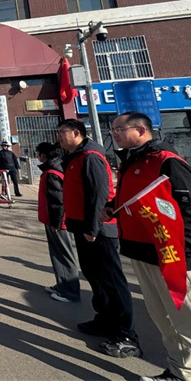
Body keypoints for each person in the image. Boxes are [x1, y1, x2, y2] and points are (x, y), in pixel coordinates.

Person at [106, 112, 191, 381]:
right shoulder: (130, 162)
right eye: (112, 129)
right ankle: (181, 372)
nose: (114, 134)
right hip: (142, 254)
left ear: (141, 130)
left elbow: (188, 212)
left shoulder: (166, 161)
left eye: (119, 129)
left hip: (174, 256)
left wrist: (182, 253)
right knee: (166, 321)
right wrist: (111, 207)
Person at [57, 118, 140, 358]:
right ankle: (104, 320)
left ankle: (126, 335)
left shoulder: (90, 157)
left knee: (111, 280)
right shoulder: (74, 157)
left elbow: (99, 195)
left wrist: (92, 229)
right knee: (95, 277)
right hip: (83, 228)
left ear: (77, 133)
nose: (59, 137)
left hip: (99, 231)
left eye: (62, 132)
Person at [36, 142, 80, 303]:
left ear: (43, 155)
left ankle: (70, 291)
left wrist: (56, 222)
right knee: (57, 252)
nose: (37, 156)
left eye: (37, 153)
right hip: (54, 220)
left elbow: (57, 201)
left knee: (63, 253)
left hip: (58, 221)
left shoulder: (52, 173)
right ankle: (62, 285)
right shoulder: (54, 169)